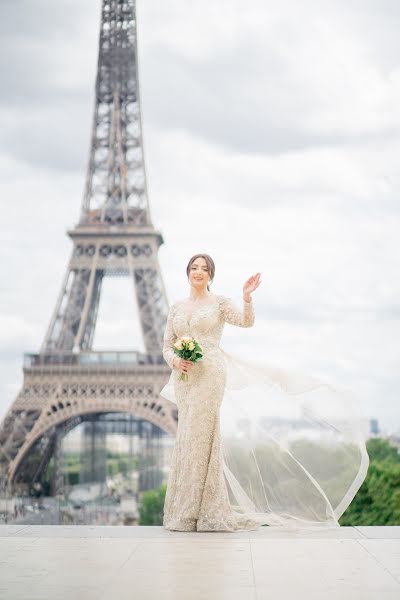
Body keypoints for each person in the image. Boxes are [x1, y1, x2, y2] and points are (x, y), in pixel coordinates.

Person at [160, 253, 369, 532]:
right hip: (185, 378)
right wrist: (176, 360)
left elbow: (246, 323)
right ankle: (185, 510)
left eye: (205, 268)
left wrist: (246, 297)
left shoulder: (219, 303)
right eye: (194, 267)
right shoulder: (176, 308)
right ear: (188, 272)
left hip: (210, 375)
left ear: (211, 275)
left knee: (203, 436)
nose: (199, 272)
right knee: (187, 437)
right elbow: (166, 346)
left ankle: (203, 511)